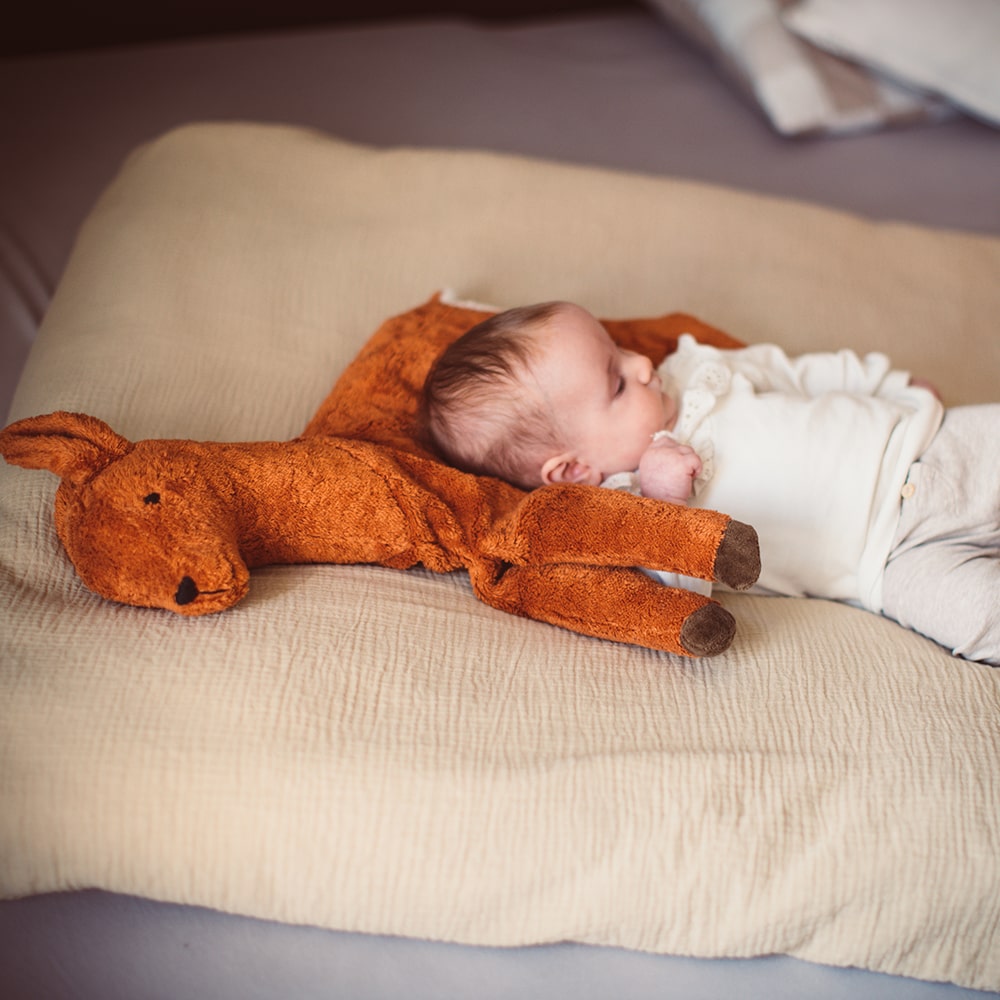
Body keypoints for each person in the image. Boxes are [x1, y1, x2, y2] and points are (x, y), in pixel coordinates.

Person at [421, 301, 1000, 666]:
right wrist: (667, 503)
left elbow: (795, 369)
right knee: (977, 620)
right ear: (574, 470)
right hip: (887, 566)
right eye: (617, 382)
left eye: (619, 349)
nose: (641, 365)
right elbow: (681, 595)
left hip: (929, 447)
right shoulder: (625, 512)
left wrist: (891, 381)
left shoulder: (696, 371)